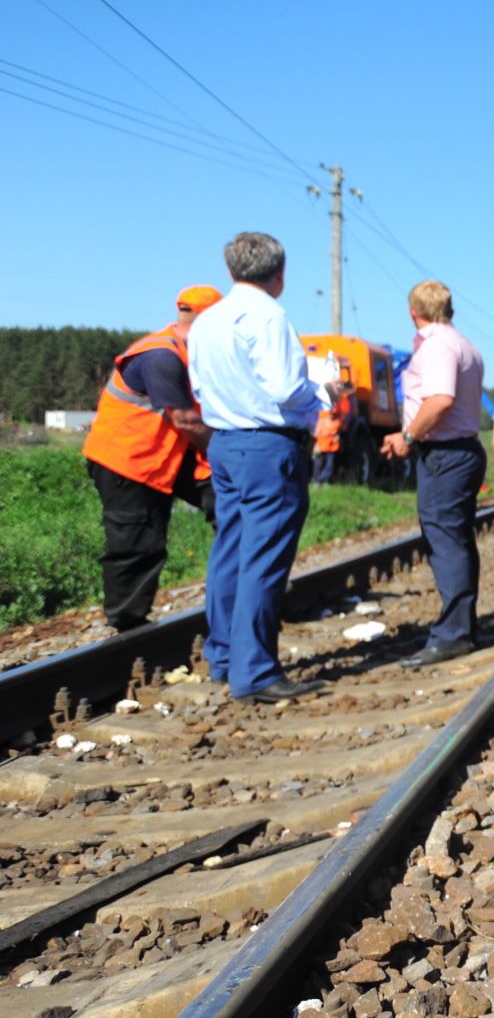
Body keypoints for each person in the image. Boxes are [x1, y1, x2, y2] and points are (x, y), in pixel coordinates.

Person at [188, 232, 340, 704]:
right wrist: (323, 392)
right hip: (268, 446)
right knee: (264, 557)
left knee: (230, 550)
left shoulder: (206, 320)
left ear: (232, 270)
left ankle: (225, 657)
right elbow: (283, 386)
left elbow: (199, 383)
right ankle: (255, 672)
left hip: (225, 443)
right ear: (280, 274)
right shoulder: (270, 316)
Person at [81, 285, 223, 631]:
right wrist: (232, 452)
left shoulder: (192, 354)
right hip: (127, 461)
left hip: (167, 456)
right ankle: (128, 629)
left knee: (229, 501)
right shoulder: (162, 357)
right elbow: (186, 420)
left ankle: (253, 585)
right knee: (138, 544)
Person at [380, 280, 486, 667]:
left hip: (444, 455)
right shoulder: (463, 344)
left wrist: (408, 435)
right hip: (458, 452)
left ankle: (453, 634)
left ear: (413, 312)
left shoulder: (438, 345)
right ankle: (462, 627)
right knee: (456, 540)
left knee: (446, 541)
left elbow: (440, 400)